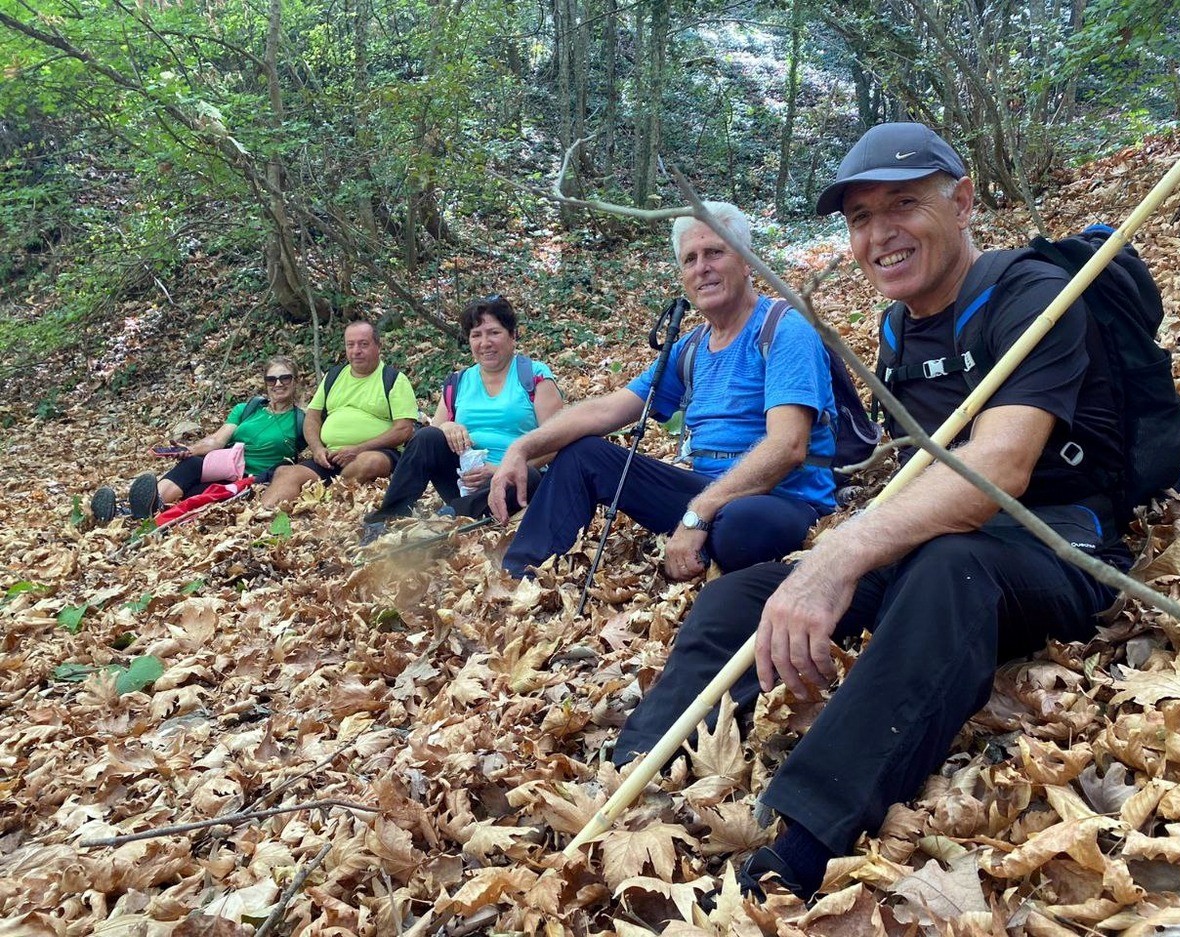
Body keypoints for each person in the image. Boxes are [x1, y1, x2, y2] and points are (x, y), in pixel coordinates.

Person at [613, 123, 1131, 902]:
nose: (879, 234)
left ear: (961, 201)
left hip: (1053, 544)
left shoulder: (1028, 292)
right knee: (739, 593)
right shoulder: (895, 328)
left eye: (903, 204)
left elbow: (999, 467)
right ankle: (637, 768)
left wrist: (841, 554)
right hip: (941, 541)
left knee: (949, 572)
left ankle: (807, 832)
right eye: (859, 218)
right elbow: (922, 473)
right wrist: (826, 566)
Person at [487, 202, 840, 581]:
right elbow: (606, 410)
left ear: (747, 261)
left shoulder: (784, 330)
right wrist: (521, 449)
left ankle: (709, 542)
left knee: (742, 527)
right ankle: (519, 576)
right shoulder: (691, 347)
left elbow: (788, 446)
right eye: (690, 259)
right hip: (708, 493)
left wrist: (697, 514)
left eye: (715, 252)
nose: (701, 267)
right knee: (584, 454)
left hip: (779, 499)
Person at [360, 295, 563, 541]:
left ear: (513, 335)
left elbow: (557, 440)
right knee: (426, 437)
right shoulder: (459, 382)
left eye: (493, 333)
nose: (485, 343)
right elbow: (431, 437)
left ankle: (450, 517)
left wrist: (502, 469)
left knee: (529, 478)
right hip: (464, 479)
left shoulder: (534, 376)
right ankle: (387, 518)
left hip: (518, 478)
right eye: (476, 335)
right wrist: (448, 427)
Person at [90, 356, 307, 522]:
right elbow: (217, 441)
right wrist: (191, 449)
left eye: (285, 378)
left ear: (295, 381)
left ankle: (134, 513)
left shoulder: (302, 419)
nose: (278, 384)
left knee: (196, 493)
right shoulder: (248, 409)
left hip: (253, 479)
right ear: (265, 383)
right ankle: (141, 508)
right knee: (192, 464)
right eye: (272, 379)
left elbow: (317, 447)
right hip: (223, 467)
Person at [261, 321, 419, 508]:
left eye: (363, 344)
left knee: (370, 462)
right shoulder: (334, 376)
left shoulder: (394, 380)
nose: (356, 350)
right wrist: (318, 449)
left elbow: (404, 429)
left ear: (378, 346)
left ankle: (330, 504)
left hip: (375, 453)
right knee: (286, 473)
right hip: (330, 458)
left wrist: (358, 448)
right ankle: (262, 517)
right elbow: (312, 417)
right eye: (350, 345)